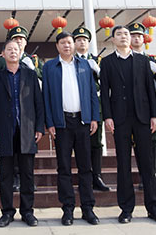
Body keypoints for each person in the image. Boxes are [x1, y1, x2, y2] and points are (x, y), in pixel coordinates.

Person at [100, 25, 156, 225]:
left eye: (126, 34)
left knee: (147, 164)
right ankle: (126, 209)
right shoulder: (107, 62)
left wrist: (155, 115)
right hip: (120, 119)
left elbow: (150, 89)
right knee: (123, 165)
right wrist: (107, 116)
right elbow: (105, 92)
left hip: (143, 118)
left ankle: (153, 208)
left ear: (130, 38)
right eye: (119, 34)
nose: (123, 37)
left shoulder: (142, 61)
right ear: (113, 39)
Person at [42, 31, 100, 226]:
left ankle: (88, 208)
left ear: (74, 45)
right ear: (57, 46)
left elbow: (92, 93)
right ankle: (67, 209)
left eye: (69, 42)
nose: (67, 46)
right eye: (63, 43)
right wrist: (50, 122)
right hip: (62, 123)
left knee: (85, 167)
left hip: (83, 122)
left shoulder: (84, 65)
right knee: (64, 168)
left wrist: (94, 117)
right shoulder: (50, 66)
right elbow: (46, 96)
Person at [0, 40, 44, 228]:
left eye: (16, 49)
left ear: (21, 53)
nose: (13, 52)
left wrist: (39, 127)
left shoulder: (30, 75)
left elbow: (38, 103)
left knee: (27, 174)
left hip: (27, 130)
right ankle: (7, 212)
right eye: (9, 49)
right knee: (5, 175)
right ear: (3, 54)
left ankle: (27, 212)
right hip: (4, 131)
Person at [0, 25, 43, 191]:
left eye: (21, 39)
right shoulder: (3, 61)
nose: (19, 42)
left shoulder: (33, 60)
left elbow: (40, 85)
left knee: (26, 159)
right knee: (10, 157)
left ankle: (26, 183)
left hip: (27, 117)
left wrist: (33, 68)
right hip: (7, 117)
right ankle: (15, 178)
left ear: (25, 43)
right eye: (15, 39)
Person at [128, 22, 156, 191]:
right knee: (138, 145)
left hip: (150, 109)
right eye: (133, 36)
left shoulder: (151, 59)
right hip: (133, 110)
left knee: (153, 143)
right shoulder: (125, 59)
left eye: (139, 36)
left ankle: (153, 175)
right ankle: (143, 177)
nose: (136, 38)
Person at [72, 26, 109, 192]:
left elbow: (107, 83)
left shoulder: (98, 61)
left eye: (84, 40)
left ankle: (97, 176)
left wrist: (98, 71)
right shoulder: (70, 61)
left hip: (95, 108)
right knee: (79, 144)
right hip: (77, 108)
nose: (81, 42)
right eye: (78, 40)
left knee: (96, 143)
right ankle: (84, 176)